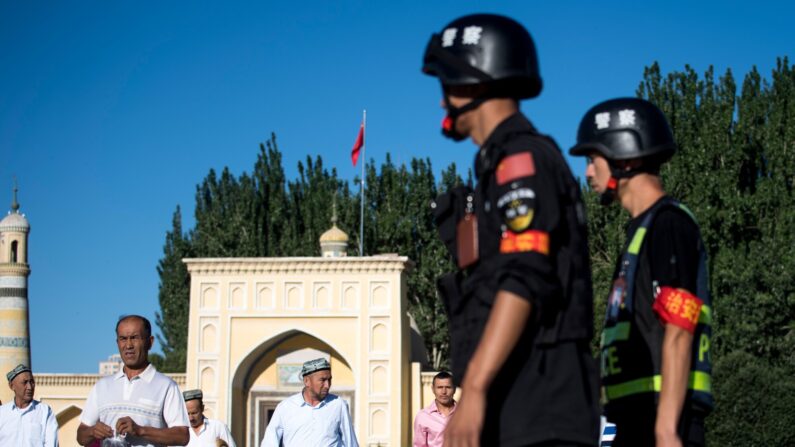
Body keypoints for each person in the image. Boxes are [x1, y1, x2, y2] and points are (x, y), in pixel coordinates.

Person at [423, 13, 599, 446]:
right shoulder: (500, 167)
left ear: (474, 80)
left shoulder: (520, 160)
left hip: (542, 404)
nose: (442, 103)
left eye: (447, 85)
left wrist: (476, 389)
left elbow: (525, 276)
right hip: (522, 401)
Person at [569, 97, 713, 446]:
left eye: (593, 160)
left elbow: (679, 327)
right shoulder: (640, 232)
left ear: (625, 158)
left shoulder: (668, 224)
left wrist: (665, 431)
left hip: (662, 419)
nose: (588, 172)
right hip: (631, 417)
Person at [77, 315, 190, 446]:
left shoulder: (166, 386)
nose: (128, 345)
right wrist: (92, 431)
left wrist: (140, 430)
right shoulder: (102, 386)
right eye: (123, 339)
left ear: (150, 342)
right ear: (117, 343)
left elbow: (182, 435)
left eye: (135, 338)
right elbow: (81, 436)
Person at [260, 358, 358, 447]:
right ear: (307, 381)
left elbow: (350, 442)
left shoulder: (338, 404)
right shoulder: (285, 407)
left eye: (329, 380)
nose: (327, 385)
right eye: (322, 380)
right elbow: (269, 442)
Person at [0, 364, 59, 446]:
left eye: (32, 382)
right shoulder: (2, 413)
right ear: (12, 386)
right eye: (24, 383)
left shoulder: (45, 411)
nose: (30, 387)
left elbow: (52, 443)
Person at [413, 371, 456, 447]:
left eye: (448, 387)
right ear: (433, 389)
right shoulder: (423, 417)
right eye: (439, 387)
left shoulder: (465, 415)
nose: (443, 392)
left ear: (454, 389)